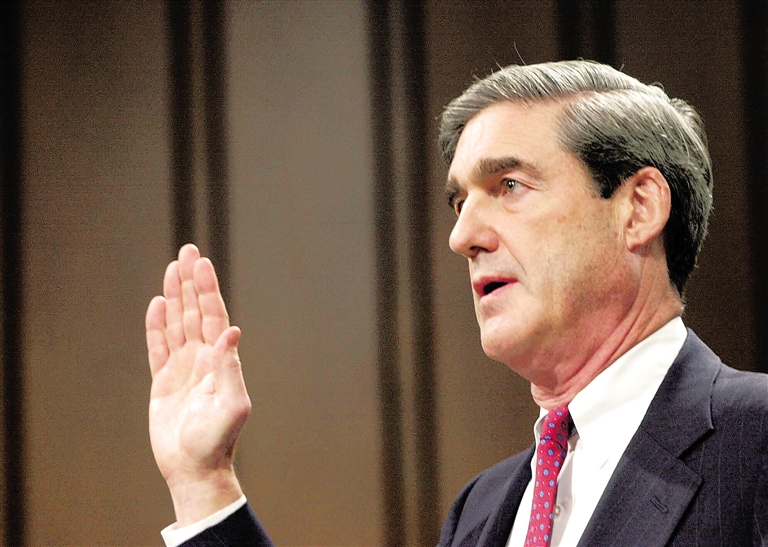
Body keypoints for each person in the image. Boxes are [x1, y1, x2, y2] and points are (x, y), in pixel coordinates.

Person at [145, 60, 768, 547]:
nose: (462, 236)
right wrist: (204, 484)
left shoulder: (756, 439)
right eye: (460, 202)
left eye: (509, 186)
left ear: (638, 209)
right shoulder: (481, 511)